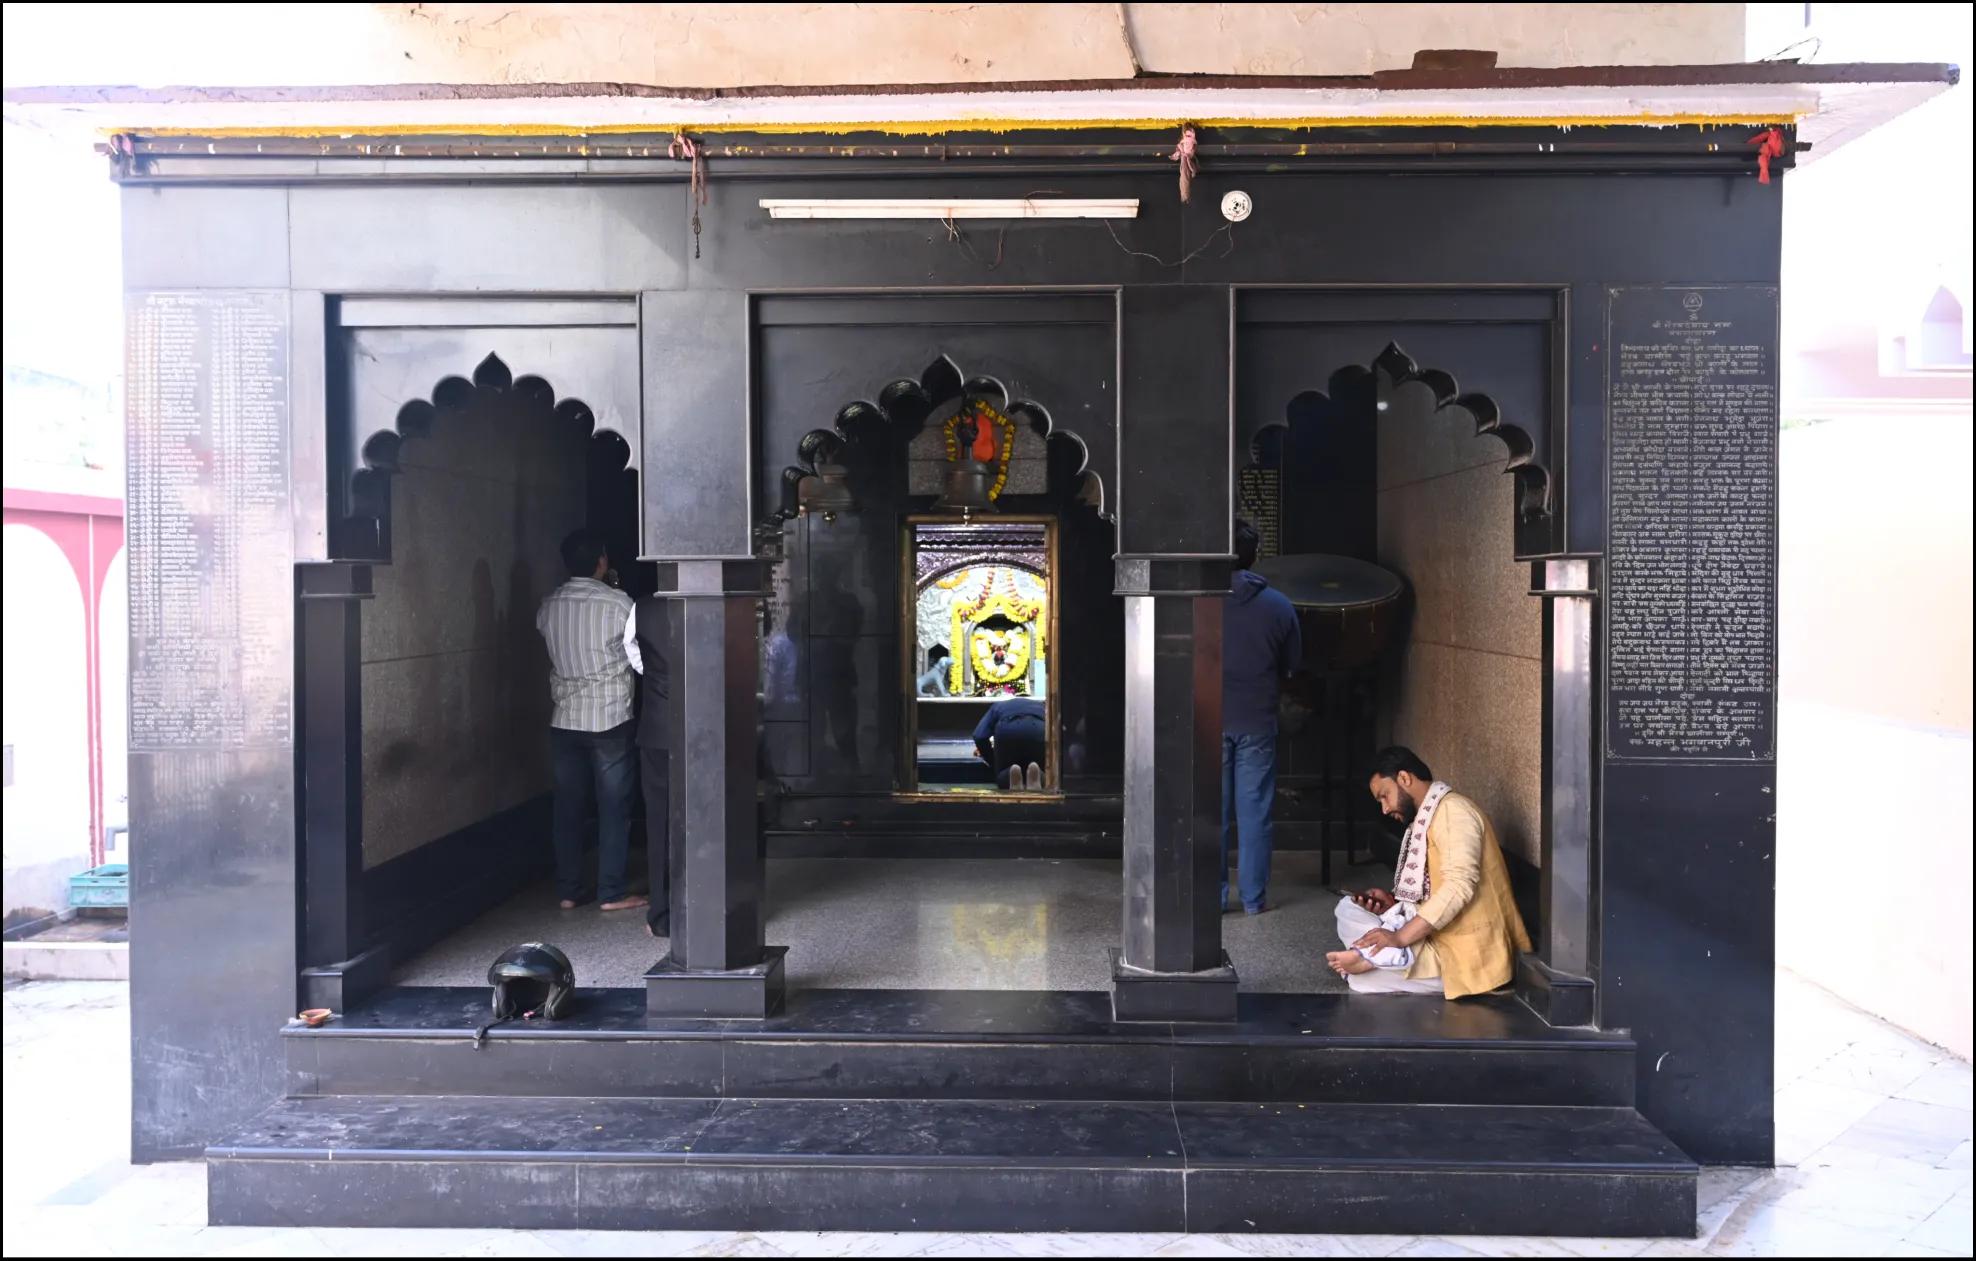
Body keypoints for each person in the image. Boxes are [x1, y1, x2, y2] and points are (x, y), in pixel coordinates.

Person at [1325, 746, 1533, 997]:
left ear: (1404, 778)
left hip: (1460, 953)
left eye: (1384, 796)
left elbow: (1458, 886)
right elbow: (1429, 889)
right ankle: (1377, 956)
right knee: (1347, 908)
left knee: (1362, 981)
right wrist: (1393, 904)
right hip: (1433, 937)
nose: (1385, 809)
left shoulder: (1454, 812)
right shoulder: (1426, 818)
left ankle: (1375, 957)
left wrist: (1400, 938)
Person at [535, 529, 644, 914]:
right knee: (614, 805)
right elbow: (639, 658)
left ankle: (569, 890)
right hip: (610, 716)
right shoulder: (619, 604)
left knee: (568, 807)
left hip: (565, 718)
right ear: (602, 561)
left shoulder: (549, 606)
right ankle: (611, 892)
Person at [1221, 518, 1302, 915]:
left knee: (1212, 813)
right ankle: (1254, 899)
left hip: (1207, 719)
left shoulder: (1198, 601)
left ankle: (1213, 897)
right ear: (1255, 556)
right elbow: (1292, 665)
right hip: (1257, 720)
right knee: (1255, 814)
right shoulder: (1279, 605)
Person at [625, 589, 672, 939]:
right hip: (712, 728)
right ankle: (714, 907)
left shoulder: (643, 608)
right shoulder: (724, 601)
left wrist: (660, 678)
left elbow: (636, 657)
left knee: (660, 824)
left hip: (659, 726)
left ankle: (663, 914)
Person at [973, 695, 1046, 790]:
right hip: (1037, 727)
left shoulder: (997, 706)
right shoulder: (1042, 706)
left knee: (1002, 771)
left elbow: (979, 736)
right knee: (1039, 763)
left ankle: (1008, 775)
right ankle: (1040, 775)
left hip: (1007, 728)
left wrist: (992, 759)